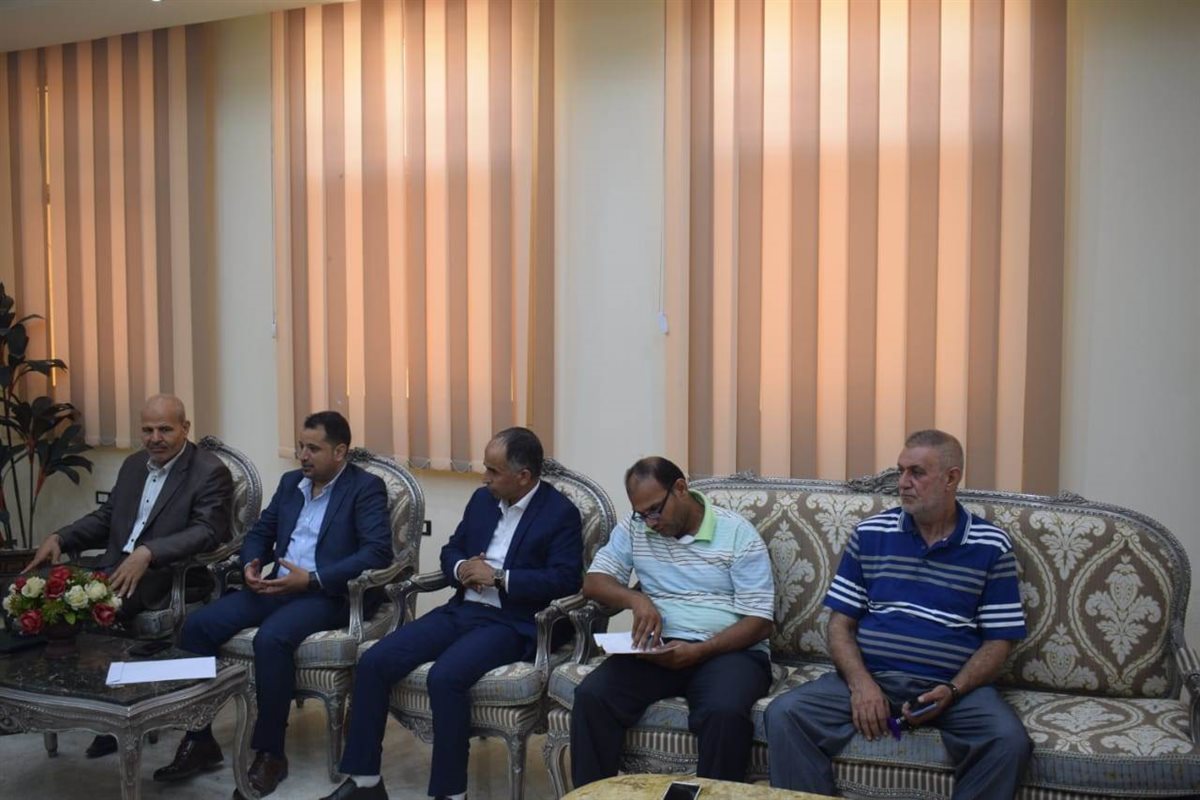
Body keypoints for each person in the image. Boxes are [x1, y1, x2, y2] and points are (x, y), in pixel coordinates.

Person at [765, 429, 1031, 799]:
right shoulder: (871, 533)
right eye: (900, 471)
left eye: (917, 473)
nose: (903, 483)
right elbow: (840, 624)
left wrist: (953, 690)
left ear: (951, 478)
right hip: (874, 675)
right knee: (785, 714)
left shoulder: (990, 544)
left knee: (1008, 741)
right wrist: (862, 685)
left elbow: (999, 641)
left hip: (953, 688)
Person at [323, 427, 583, 800]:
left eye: (493, 471)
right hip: (462, 609)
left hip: (513, 623)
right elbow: (451, 549)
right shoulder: (482, 501)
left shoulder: (560, 514)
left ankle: (450, 793)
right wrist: (461, 568)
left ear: (523, 476)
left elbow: (565, 580)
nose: (484, 478)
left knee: (446, 677)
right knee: (374, 661)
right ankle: (365, 782)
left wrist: (500, 577)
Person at [154, 410, 392, 798]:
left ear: (340, 452)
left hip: (329, 594)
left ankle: (270, 754)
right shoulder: (291, 483)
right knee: (197, 626)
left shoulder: (365, 488)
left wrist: (312, 579)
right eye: (301, 446)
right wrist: (251, 563)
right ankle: (199, 738)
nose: (303, 455)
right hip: (277, 586)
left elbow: (377, 552)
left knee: (272, 639)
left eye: (313, 448)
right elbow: (260, 532)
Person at [23, 393, 233, 759]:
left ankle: (117, 714)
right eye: (147, 430)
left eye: (165, 429)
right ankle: (86, 706)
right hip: (114, 566)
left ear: (185, 428)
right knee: (41, 596)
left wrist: (149, 552)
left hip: (167, 574)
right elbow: (107, 518)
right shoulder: (135, 464)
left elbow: (207, 531)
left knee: (94, 606)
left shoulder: (209, 471)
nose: (155, 438)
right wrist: (60, 537)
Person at [569, 456, 775, 788]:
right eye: (642, 513)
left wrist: (700, 651)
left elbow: (760, 621)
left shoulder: (737, 534)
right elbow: (593, 582)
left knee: (723, 713)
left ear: (680, 488)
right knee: (593, 696)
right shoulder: (636, 527)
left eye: (655, 510)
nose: (650, 522)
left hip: (729, 651)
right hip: (658, 648)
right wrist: (637, 600)